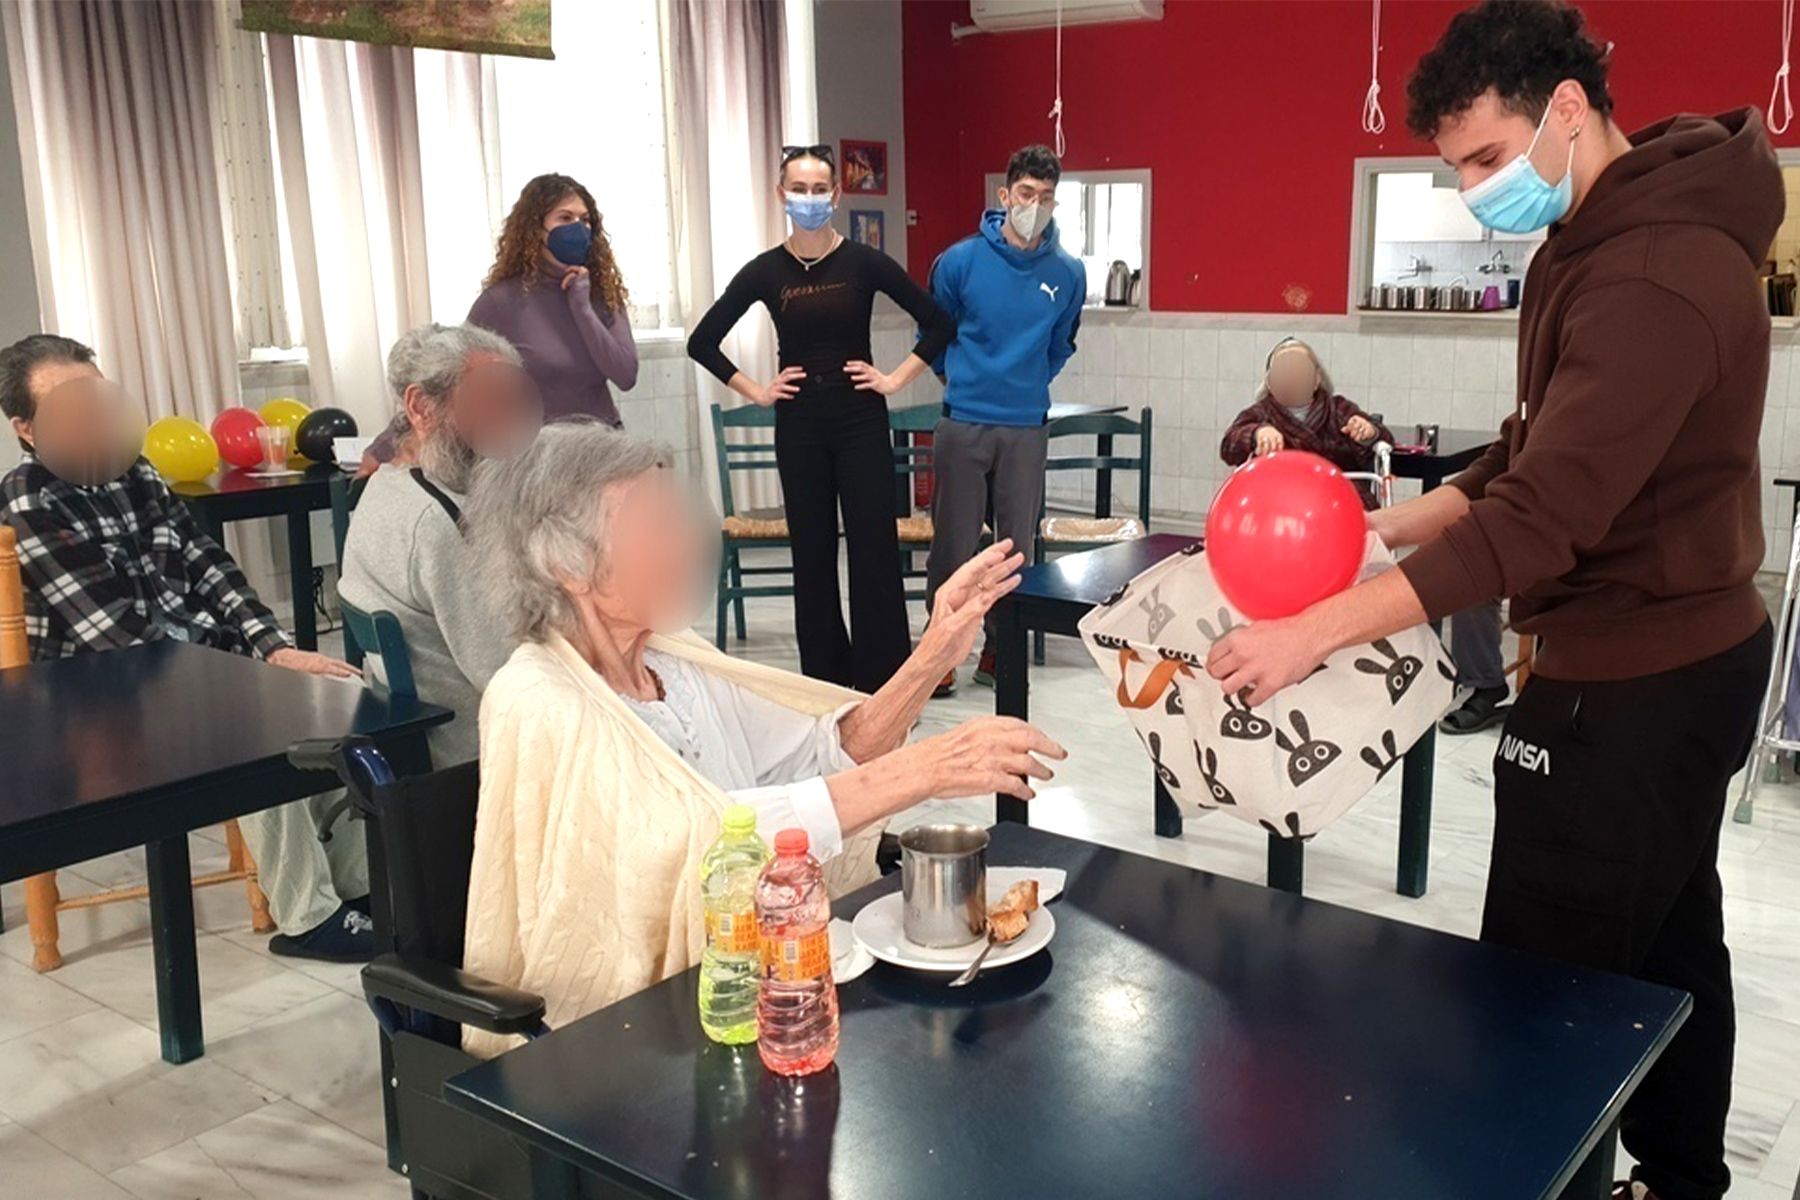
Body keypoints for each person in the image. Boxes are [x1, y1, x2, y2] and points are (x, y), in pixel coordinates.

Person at [1203, 6, 1777, 1199]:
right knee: (1671, 942)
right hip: (1680, 660)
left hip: (1636, 680)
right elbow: (1529, 448)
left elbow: (1540, 518)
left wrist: (1312, 629)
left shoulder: (1655, 271)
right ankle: (1681, 1180)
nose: (1473, 192)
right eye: (1455, 168)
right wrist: (1381, 526)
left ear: (1567, 109)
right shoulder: (1592, 235)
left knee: (1536, 992)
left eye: (1484, 159)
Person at [457, 422, 1063, 1053]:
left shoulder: (672, 662)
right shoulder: (536, 696)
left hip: (763, 986)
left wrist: (933, 653)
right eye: (657, 526)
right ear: (567, 564)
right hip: (633, 1034)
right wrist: (920, 771)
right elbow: (691, 843)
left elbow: (821, 754)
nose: (690, 542)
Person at [0, 334, 376, 962]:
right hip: (102, 698)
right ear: (28, 428)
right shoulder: (30, 495)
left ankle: (356, 886)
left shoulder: (136, 471)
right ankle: (309, 918)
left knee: (347, 695)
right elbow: (115, 636)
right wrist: (239, 679)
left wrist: (272, 648)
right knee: (262, 724)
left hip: (197, 666)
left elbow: (209, 564)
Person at [687, 143, 956, 692]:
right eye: (798, 189)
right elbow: (702, 341)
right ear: (781, 194)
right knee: (812, 555)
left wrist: (894, 380)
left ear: (835, 195)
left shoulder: (865, 262)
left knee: (873, 551)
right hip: (800, 426)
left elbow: (939, 323)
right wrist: (757, 390)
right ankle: (825, 685)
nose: (808, 198)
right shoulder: (765, 271)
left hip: (861, 421)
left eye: (818, 189)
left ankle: (884, 683)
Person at [338, 324, 543, 766]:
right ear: (420, 407)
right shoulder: (436, 521)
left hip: (442, 731)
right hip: (480, 754)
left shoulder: (386, 486)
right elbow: (508, 672)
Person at [924, 143, 1085, 694]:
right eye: (1025, 193)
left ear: (1055, 202)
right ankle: (941, 652)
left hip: (1026, 426)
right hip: (964, 421)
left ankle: (1000, 648)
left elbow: (1061, 343)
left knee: (1015, 548)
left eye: (1045, 197)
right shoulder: (958, 262)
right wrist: (965, 382)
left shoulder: (1068, 273)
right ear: (1004, 194)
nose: (1034, 205)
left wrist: (1025, 384)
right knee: (953, 544)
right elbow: (934, 337)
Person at [359, 173, 637, 472]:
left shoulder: (602, 295)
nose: (578, 228)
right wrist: (383, 447)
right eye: (565, 218)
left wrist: (582, 307)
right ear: (536, 230)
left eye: (585, 220)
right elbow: (445, 375)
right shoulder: (502, 302)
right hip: (536, 458)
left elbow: (625, 374)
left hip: (601, 448)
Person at [1219, 337, 1393, 506]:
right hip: (1278, 501)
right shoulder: (1260, 413)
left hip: (1335, 498)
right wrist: (1256, 433)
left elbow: (1385, 438)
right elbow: (1228, 446)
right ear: (1269, 382)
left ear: (1317, 379)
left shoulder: (1338, 409)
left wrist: (1368, 432)